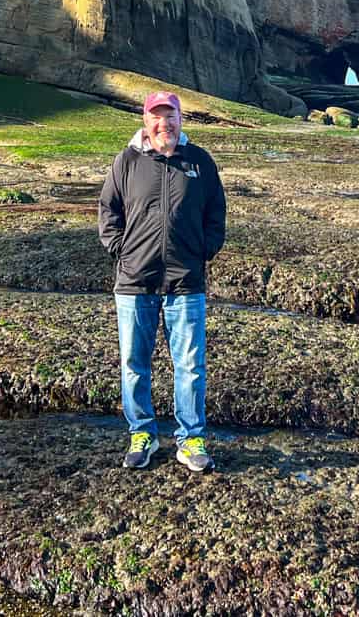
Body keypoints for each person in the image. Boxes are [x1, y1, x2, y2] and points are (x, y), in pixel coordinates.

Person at [98, 90, 226, 472]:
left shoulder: (200, 162)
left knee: (190, 366)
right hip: (135, 283)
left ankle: (191, 440)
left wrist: (206, 248)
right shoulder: (126, 161)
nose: (163, 124)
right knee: (134, 364)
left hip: (186, 283)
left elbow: (216, 212)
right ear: (145, 121)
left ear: (181, 121)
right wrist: (121, 251)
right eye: (157, 117)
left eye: (170, 117)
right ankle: (143, 433)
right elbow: (108, 210)